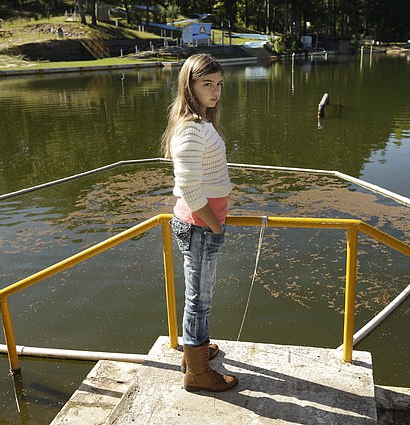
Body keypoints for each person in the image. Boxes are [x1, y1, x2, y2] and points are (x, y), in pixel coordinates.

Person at [161, 53, 238, 392]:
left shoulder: (201, 124)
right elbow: (190, 190)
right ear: (189, 85)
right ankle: (197, 373)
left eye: (219, 84)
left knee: (199, 296)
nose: (215, 91)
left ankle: (195, 352)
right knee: (199, 299)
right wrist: (216, 226)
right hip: (200, 226)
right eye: (207, 84)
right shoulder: (191, 130)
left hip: (201, 225)